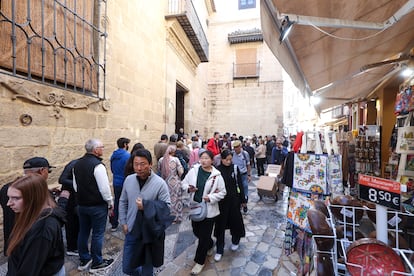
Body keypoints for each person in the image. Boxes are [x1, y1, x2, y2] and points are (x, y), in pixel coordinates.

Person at [119, 149, 172, 276]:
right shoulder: (129, 180)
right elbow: (122, 202)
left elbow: (167, 208)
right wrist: (124, 222)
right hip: (132, 230)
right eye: (136, 164)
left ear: (150, 164)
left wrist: (146, 206)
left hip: (150, 234)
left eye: (142, 164)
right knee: (127, 267)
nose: (139, 167)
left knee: (147, 270)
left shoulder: (160, 184)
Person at [6, 174, 67, 275]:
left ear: (33, 198)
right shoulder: (30, 215)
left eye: (16, 198)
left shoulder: (42, 229)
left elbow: (29, 270)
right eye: (9, 197)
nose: (9, 203)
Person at [181, 150, 226, 275]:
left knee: (204, 237)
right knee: (197, 232)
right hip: (195, 208)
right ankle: (211, 244)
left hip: (209, 211)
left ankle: (199, 261)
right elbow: (183, 183)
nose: (203, 160)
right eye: (202, 158)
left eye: (206, 158)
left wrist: (211, 198)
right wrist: (189, 188)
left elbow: (223, 192)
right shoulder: (194, 171)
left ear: (212, 160)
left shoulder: (217, 176)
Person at [73, 138, 114, 272]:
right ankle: (97, 262)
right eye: (102, 147)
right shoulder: (98, 165)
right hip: (97, 206)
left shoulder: (77, 164)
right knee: (97, 234)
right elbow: (104, 188)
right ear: (96, 150)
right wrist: (110, 202)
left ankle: (84, 259)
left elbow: (75, 186)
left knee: (83, 232)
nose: (103, 149)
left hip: (82, 205)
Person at [0, 157, 55, 255]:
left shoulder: (7, 188)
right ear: (43, 170)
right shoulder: (40, 193)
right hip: (28, 245)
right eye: (49, 171)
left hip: (12, 240)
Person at [214, 150, 246, 262]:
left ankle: (235, 240)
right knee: (220, 225)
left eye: (230, 159)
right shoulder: (217, 170)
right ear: (221, 159)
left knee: (235, 221)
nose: (228, 161)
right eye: (226, 159)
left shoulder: (235, 168)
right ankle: (219, 248)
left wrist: (243, 199)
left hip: (234, 201)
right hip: (221, 202)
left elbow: (240, 185)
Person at [58, 158, 80, 256]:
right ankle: (72, 247)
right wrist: (78, 185)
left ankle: (74, 245)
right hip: (70, 198)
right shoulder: (74, 164)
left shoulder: (79, 163)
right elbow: (61, 179)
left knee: (76, 222)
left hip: (74, 198)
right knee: (71, 222)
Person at [158, 145, 184, 223]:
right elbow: (181, 171)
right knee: (176, 200)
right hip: (174, 183)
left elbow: (159, 170)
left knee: (166, 200)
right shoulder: (175, 160)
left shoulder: (161, 160)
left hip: (165, 182)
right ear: (173, 152)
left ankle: (166, 216)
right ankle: (175, 217)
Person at [110, 137, 131, 231]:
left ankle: (114, 224)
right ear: (125, 145)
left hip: (116, 181)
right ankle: (127, 222)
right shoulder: (127, 155)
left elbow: (112, 169)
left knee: (117, 201)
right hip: (125, 182)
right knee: (127, 203)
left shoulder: (113, 155)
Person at [232, 140, 251, 213]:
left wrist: (249, 175)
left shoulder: (245, 154)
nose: (235, 149)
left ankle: (245, 203)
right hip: (236, 175)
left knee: (244, 188)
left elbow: (248, 164)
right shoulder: (233, 154)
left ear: (240, 146)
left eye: (237, 147)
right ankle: (239, 204)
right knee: (237, 190)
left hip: (243, 174)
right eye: (234, 147)